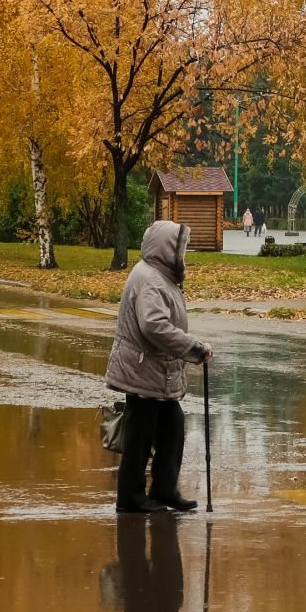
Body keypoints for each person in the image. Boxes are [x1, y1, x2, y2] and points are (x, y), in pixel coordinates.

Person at [108, 220, 210, 514]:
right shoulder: (150, 279)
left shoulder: (160, 275)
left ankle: (164, 490)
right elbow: (153, 326)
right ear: (168, 248)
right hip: (143, 372)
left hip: (155, 371)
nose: (184, 253)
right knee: (139, 437)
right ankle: (130, 498)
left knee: (172, 427)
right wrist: (194, 348)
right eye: (181, 247)